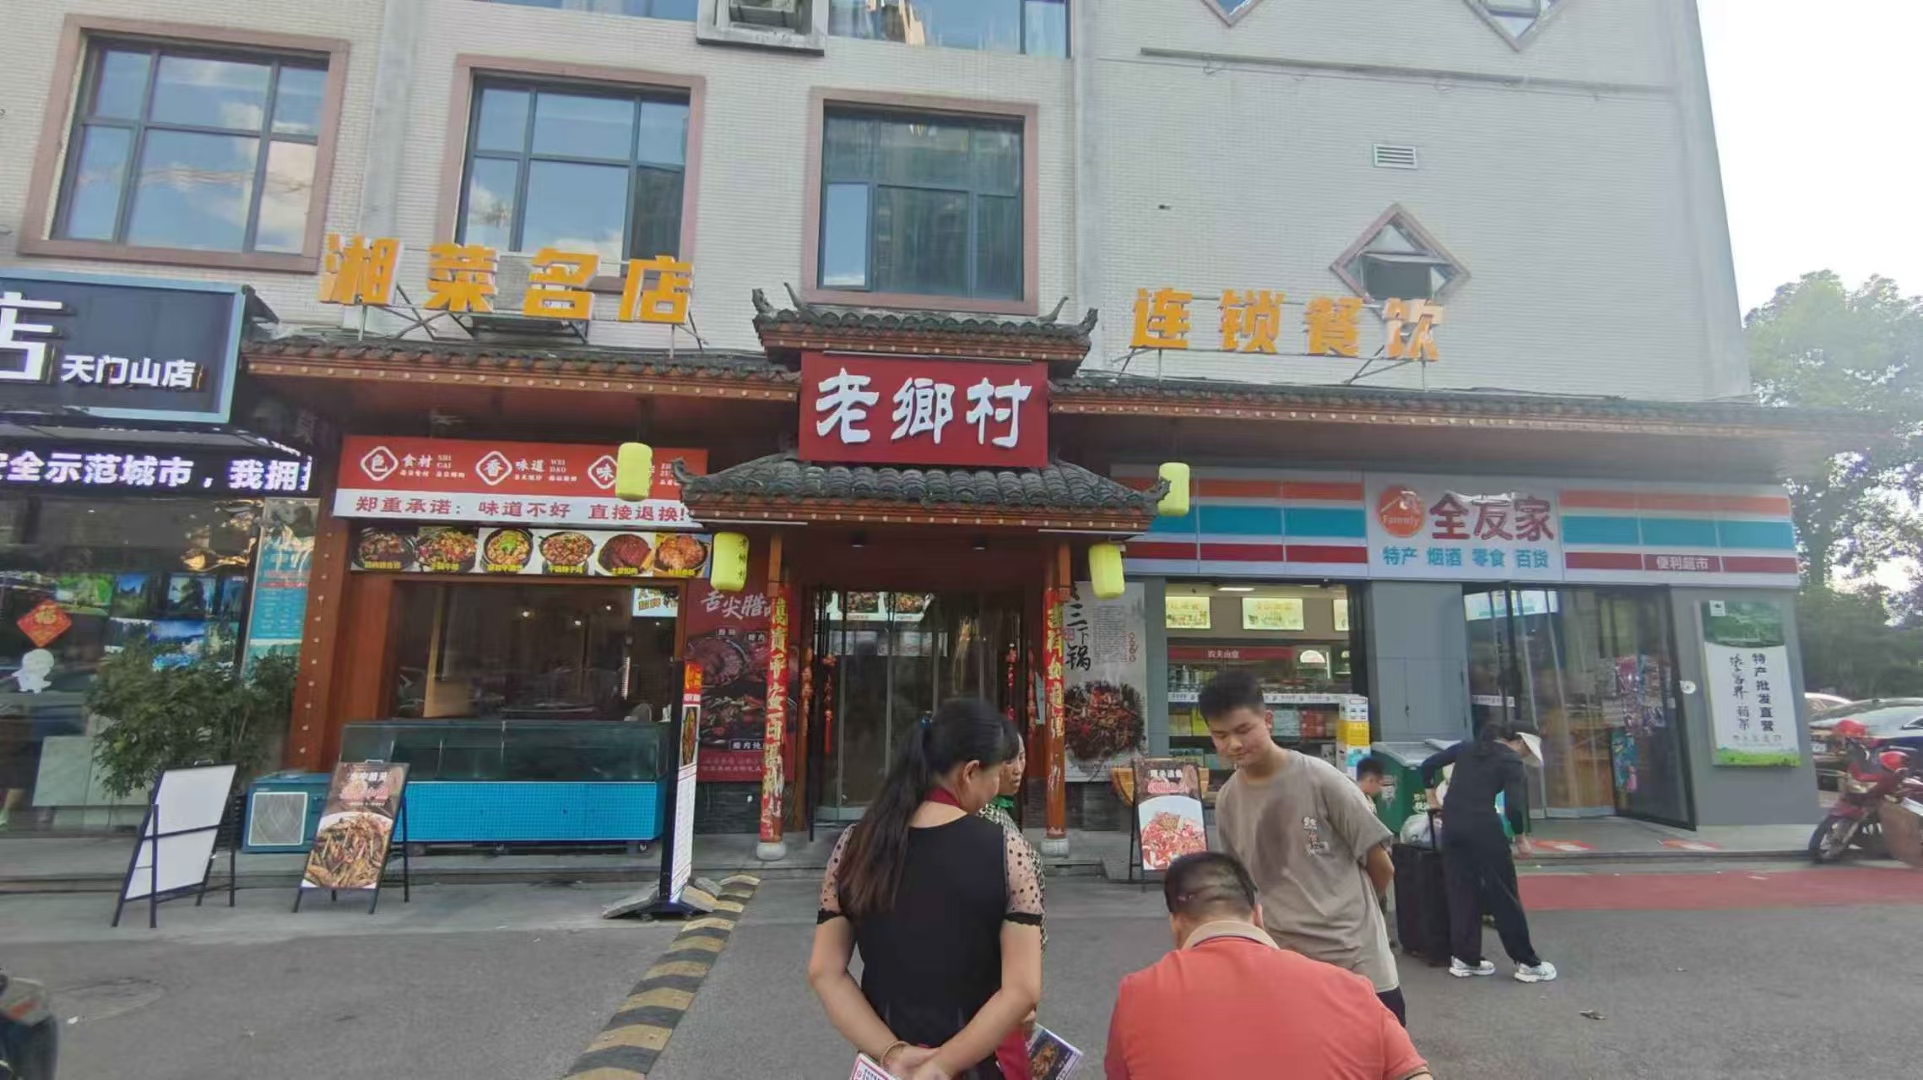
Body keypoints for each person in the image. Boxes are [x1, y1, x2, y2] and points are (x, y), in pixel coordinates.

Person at [808, 698, 1043, 1080]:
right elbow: (1022, 990)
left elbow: (825, 971)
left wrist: (892, 1053)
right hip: (978, 1066)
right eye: (995, 774)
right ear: (970, 772)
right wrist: (941, 1065)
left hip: (889, 1069)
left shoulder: (854, 844)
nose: (996, 787)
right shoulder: (1007, 849)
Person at [1104, 851, 1431, 1080]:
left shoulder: (1139, 992)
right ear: (1258, 916)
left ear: (1175, 926)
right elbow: (1414, 1074)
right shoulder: (1351, 988)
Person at [1201, 670, 1405, 1024]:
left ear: (1267, 720)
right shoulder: (1229, 801)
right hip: (1286, 967)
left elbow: (1381, 866)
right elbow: (1241, 888)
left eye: (1243, 730)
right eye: (1220, 735)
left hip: (1359, 965)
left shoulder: (1322, 780)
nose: (1233, 744)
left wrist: (1350, 917)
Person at [1420, 721, 1558, 983]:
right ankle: (1527, 962)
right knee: (1503, 894)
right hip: (1484, 828)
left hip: (1452, 826)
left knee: (1461, 891)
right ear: (1519, 741)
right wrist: (1520, 838)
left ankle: (1465, 958)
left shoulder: (1466, 748)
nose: (1525, 756)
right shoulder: (1511, 761)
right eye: (1527, 750)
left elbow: (1427, 765)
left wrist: (1432, 798)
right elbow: (1514, 808)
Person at [978, 719, 1042, 1080]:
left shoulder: (998, 816)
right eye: (1008, 760)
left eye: (1021, 757)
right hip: (1000, 980)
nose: (1018, 768)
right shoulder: (985, 823)